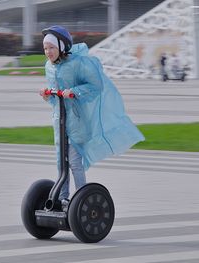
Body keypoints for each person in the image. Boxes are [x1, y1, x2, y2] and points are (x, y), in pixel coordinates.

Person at [39, 25, 145, 208]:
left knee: (73, 162)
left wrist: (74, 92)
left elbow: (96, 86)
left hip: (77, 122)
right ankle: (63, 198)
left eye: (52, 48)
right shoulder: (49, 67)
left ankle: (81, 199)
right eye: (45, 48)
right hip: (59, 121)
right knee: (60, 162)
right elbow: (56, 100)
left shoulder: (78, 63)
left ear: (62, 47)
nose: (48, 52)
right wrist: (48, 96)